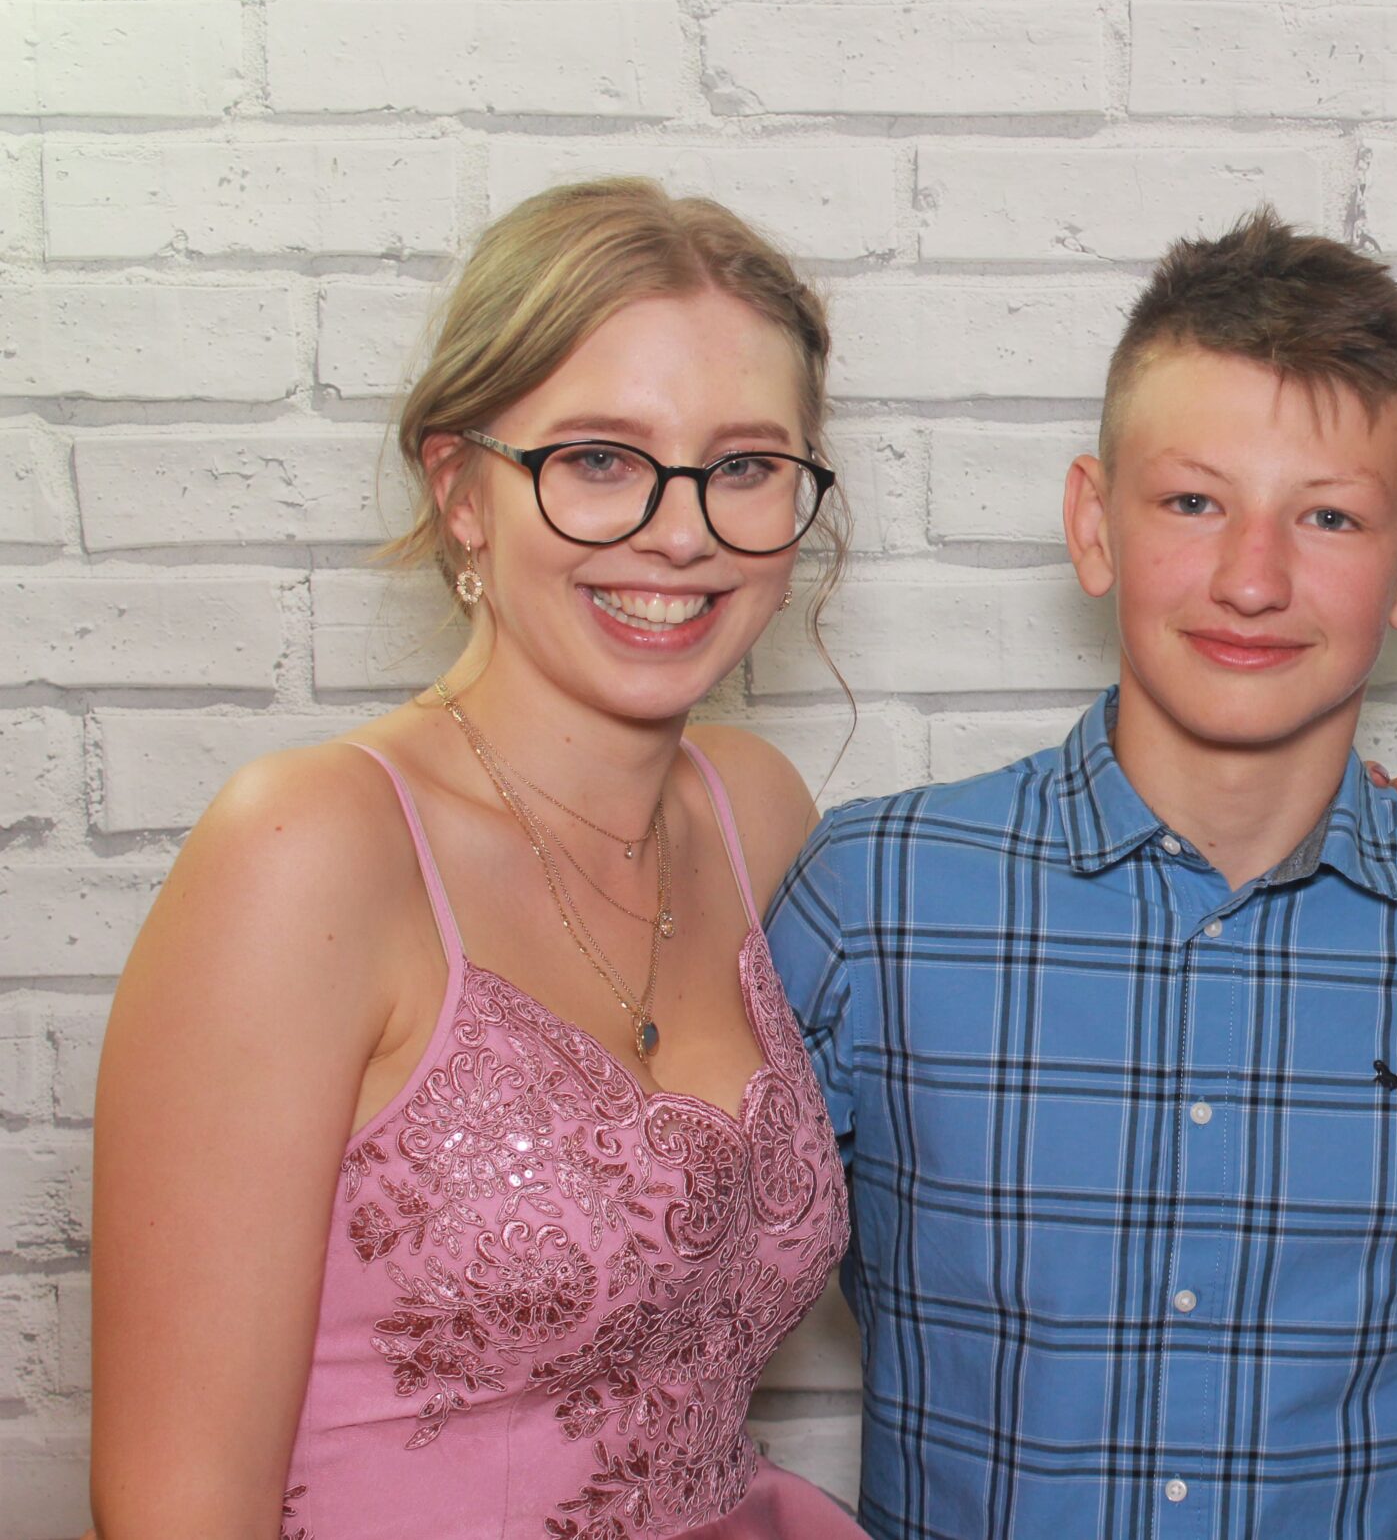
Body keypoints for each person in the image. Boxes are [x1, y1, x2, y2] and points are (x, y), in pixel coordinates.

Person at [766, 210, 1397, 1539]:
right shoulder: (876, 904)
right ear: (1094, 525)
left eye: (1328, 516)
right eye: (1194, 502)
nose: (1251, 580)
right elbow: (674, 1318)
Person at [88, 180, 869, 1540]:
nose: (682, 530)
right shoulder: (308, 851)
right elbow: (176, 1508)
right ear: (461, 492)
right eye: (600, 459)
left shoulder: (754, 812)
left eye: (746, 465)